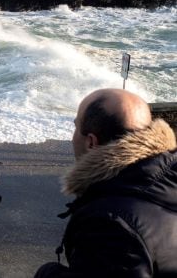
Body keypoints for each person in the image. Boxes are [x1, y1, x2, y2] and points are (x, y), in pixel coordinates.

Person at [35, 88, 177, 277]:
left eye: (76, 126)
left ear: (91, 142)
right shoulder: (169, 179)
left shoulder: (109, 223)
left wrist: (49, 273)